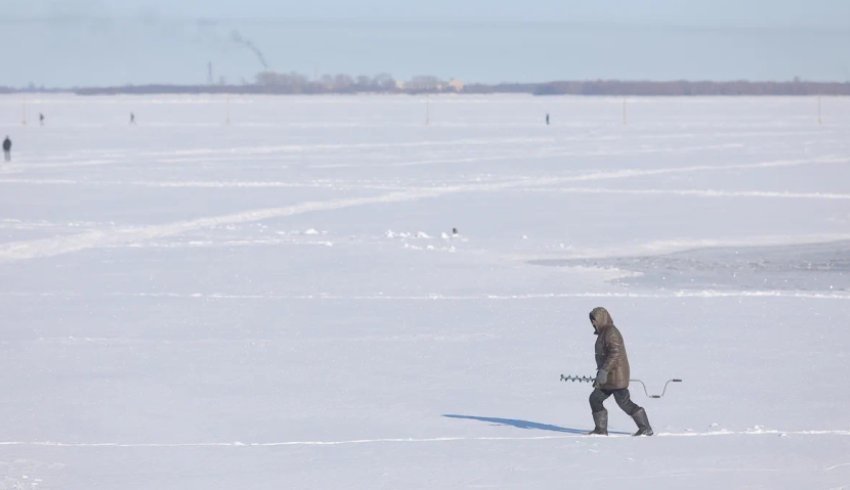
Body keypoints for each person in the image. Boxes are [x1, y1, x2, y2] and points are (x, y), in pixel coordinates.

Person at [587, 307, 653, 436]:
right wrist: (601, 373)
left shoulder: (611, 332)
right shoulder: (604, 333)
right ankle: (600, 430)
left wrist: (604, 371)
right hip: (607, 377)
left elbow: (615, 354)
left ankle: (645, 428)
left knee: (624, 403)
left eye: (594, 320)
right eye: (592, 320)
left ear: (601, 319)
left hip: (616, 376)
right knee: (595, 399)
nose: (593, 323)